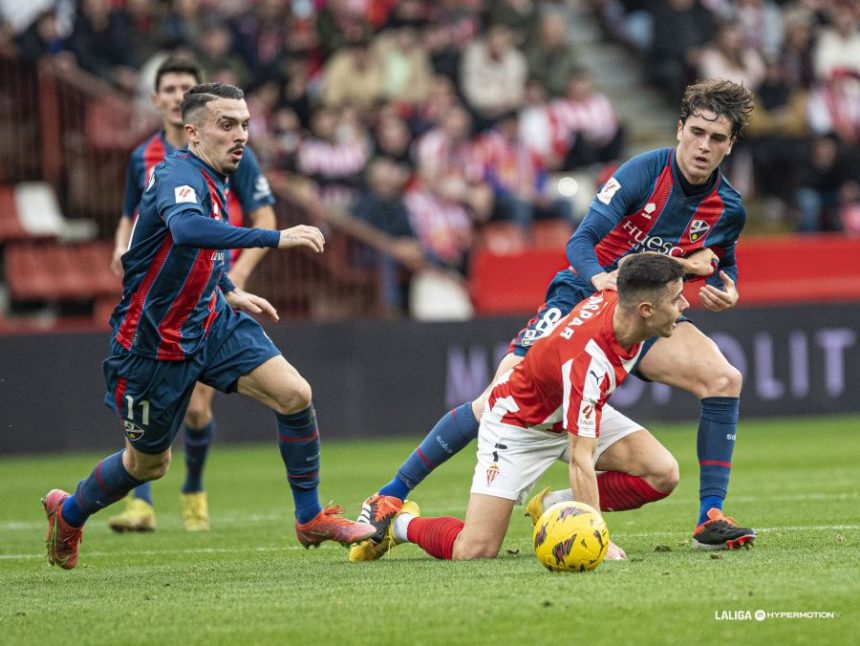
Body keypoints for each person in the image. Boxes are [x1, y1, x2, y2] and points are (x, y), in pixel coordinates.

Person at [350, 79, 757, 560]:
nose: (703, 146)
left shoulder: (727, 206)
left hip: (645, 313)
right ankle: (391, 494)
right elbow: (579, 242)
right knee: (497, 398)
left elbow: (723, 260)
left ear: (730, 146)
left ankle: (705, 513)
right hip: (583, 298)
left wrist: (728, 288)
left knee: (723, 378)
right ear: (679, 129)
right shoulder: (642, 174)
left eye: (716, 138)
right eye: (696, 132)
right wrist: (601, 280)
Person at [42, 82, 375, 570]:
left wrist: (227, 288)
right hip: (153, 344)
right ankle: (68, 513)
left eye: (244, 124)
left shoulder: (216, 175)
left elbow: (186, 253)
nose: (240, 134)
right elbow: (186, 229)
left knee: (295, 394)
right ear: (193, 131)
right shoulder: (179, 172)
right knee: (148, 465)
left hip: (211, 319)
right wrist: (275, 237)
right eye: (227, 125)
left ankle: (309, 518)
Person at [358, 254, 691, 562]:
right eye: (676, 299)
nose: (685, 305)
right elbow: (580, 459)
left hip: (566, 407)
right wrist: (596, 536)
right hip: (519, 424)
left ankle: (550, 506)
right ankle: (399, 525)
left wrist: (693, 266)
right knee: (474, 550)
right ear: (646, 309)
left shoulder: (617, 292)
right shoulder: (590, 363)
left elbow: (634, 263)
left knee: (662, 473)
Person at [108, 58, 277, 533]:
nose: (177, 91)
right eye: (170, 87)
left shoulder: (232, 148)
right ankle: (140, 502)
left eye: (186, 84)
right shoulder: (145, 158)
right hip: (158, 287)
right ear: (158, 99)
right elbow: (131, 214)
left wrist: (234, 276)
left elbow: (263, 216)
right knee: (144, 392)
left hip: (215, 283)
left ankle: (193, 493)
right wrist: (121, 248)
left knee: (199, 406)